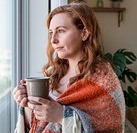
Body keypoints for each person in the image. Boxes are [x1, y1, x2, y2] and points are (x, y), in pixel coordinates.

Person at [13, 1, 125, 133]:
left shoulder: (104, 80)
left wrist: (61, 117)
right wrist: (27, 104)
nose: (53, 40)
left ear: (84, 33)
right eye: (51, 32)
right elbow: (33, 126)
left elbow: (110, 128)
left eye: (61, 31)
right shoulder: (53, 76)